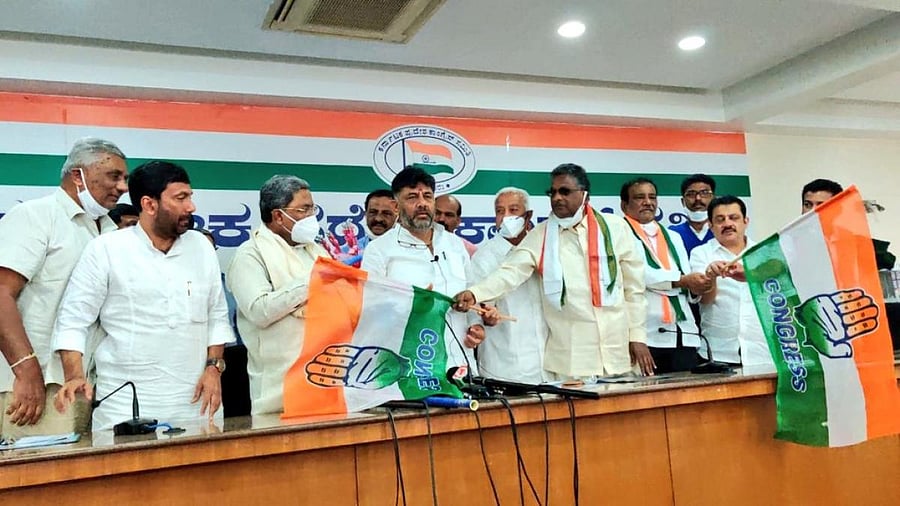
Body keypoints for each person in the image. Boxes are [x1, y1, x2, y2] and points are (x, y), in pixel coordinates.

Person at [53, 161, 234, 431]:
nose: (191, 207)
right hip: (126, 405)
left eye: (190, 196)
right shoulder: (106, 250)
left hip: (198, 403)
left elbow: (217, 316)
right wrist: (75, 376)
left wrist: (213, 368)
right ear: (149, 205)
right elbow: (73, 320)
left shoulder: (201, 247)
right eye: (180, 198)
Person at [455, 163, 650, 379]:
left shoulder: (615, 228)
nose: (557, 198)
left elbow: (634, 290)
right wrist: (475, 294)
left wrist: (638, 337)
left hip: (620, 353)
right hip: (573, 361)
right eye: (553, 192)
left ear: (584, 194)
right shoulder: (542, 235)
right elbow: (510, 273)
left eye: (565, 191)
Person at [0, 138, 127, 439]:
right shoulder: (36, 216)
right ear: (77, 175)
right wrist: (27, 372)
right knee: (34, 482)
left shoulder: (110, 231)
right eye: (113, 176)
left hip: (86, 385)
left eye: (125, 179)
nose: (122, 187)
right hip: (33, 387)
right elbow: (1, 294)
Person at [362, 167, 489, 375]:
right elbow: (370, 309)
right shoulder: (379, 250)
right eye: (412, 197)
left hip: (460, 365)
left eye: (427, 196)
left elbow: (471, 292)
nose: (422, 203)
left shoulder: (455, 245)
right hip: (411, 369)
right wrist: (412, 304)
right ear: (396, 206)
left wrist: (476, 327)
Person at [225, 176, 329, 415]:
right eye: (304, 209)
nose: (312, 216)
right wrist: (311, 281)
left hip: (325, 379)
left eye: (313, 208)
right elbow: (260, 312)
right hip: (278, 392)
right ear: (278, 216)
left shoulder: (316, 251)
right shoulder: (250, 255)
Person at [620, 178, 712, 373]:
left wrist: (697, 286)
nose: (648, 202)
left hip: (683, 331)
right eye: (639, 197)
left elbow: (687, 277)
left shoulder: (673, 236)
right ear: (624, 205)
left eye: (652, 197)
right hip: (648, 333)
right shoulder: (619, 234)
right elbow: (639, 276)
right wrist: (683, 281)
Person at [468, 187, 548, 383]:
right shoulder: (484, 258)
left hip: (547, 365)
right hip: (505, 366)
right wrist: (486, 318)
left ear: (528, 216)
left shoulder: (542, 249)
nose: (505, 217)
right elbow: (474, 311)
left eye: (513, 210)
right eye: (500, 211)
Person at [689, 196, 772, 371]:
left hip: (762, 350)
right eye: (720, 220)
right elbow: (705, 301)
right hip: (719, 352)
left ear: (746, 221)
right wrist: (710, 276)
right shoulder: (701, 254)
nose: (727, 224)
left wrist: (751, 274)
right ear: (710, 226)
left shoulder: (764, 253)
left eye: (733, 218)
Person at [669, 174, 716, 257]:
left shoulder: (722, 232)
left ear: (713, 199)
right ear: (683, 201)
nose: (698, 198)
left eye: (704, 193)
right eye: (691, 194)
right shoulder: (672, 234)